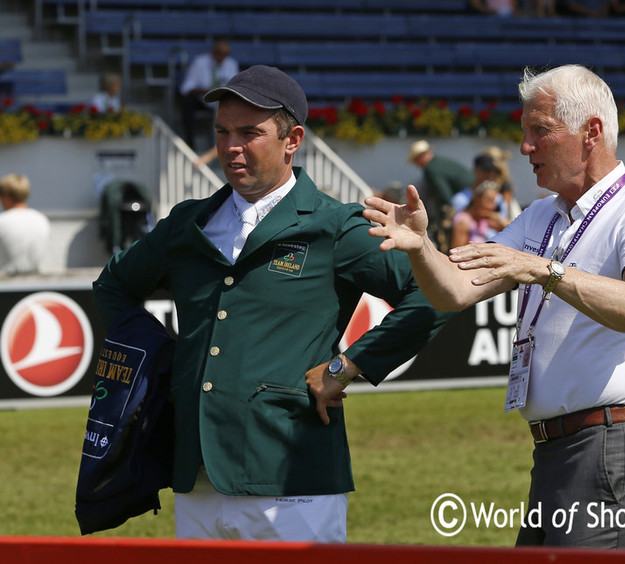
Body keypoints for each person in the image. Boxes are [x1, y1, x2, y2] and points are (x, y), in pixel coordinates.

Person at [91, 64, 449, 543]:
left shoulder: (334, 225)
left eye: (249, 133)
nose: (230, 146)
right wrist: (163, 367)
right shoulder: (186, 224)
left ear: (292, 139)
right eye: (221, 131)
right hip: (194, 474)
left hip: (292, 475)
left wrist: (346, 367)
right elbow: (112, 286)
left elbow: (434, 295)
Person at [364, 64, 625, 549]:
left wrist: (542, 270)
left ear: (591, 132)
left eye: (540, 131)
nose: (525, 147)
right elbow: (454, 292)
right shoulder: (540, 215)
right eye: (525, 132)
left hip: (610, 447)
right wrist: (420, 246)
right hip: (559, 450)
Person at [407, 139, 475, 253]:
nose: (416, 164)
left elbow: (443, 193)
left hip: (466, 195)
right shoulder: (438, 162)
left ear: (421, 157)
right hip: (471, 190)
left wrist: (445, 213)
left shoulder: (431, 169)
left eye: (416, 160)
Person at [179, 39, 239, 149]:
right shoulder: (199, 62)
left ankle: (230, 144)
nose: (221, 56)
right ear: (213, 51)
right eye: (218, 52)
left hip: (222, 102)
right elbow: (186, 88)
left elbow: (235, 88)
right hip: (202, 100)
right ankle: (190, 143)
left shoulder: (231, 64)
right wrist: (206, 92)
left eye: (225, 53)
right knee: (186, 102)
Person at [0, 173, 51, 275]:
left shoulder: (2, 221)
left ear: (6, 197)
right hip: (37, 282)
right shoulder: (41, 219)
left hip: (6, 284)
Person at [450, 180, 506, 248]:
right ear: (477, 199)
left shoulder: (483, 221)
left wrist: (498, 218)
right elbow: (456, 253)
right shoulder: (464, 221)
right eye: (489, 201)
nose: (492, 206)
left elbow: (510, 232)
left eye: (493, 202)